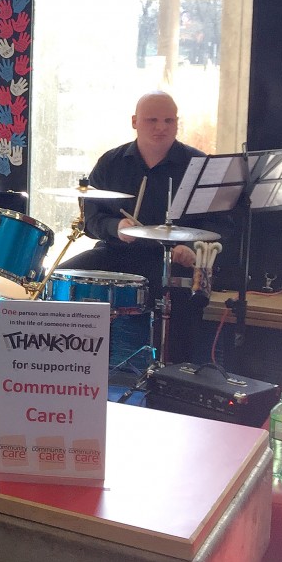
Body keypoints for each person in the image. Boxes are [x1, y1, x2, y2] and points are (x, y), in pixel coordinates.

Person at [57, 91, 231, 364]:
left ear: (177, 123)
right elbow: (91, 219)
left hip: (173, 261)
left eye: (168, 120)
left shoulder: (200, 166)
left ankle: (173, 375)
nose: (161, 127)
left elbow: (220, 224)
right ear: (134, 121)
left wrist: (194, 250)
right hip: (116, 254)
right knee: (60, 280)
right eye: (152, 120)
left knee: (185, 301)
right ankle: (74, 368)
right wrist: (116, 227)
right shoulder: (110, 163)